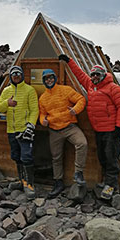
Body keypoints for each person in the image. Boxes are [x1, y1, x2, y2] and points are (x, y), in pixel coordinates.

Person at [59, 54, 120, 200]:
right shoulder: (91, 85)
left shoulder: (112, 88)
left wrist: (118, 128)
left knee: (111, 158)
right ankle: (106, 182)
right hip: (98, 130)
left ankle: (111, 185)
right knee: (102, 157)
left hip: (111, 130)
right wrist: (69, 61)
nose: (95, 77)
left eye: (97, 74)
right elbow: (79, 74)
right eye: (93, 75)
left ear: (103, 75)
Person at [39, 69, 88, 198]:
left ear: (55, 78)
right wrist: (42, 120)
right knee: (56, 157)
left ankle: (78, 173)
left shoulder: (65, 90)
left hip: (69, 126)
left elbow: (81, 99)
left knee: (82, 143)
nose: (49, 80)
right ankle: (58, 182)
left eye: (51, 77)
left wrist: (75, 110)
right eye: (46, 79)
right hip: (54, 130)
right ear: (44, 81)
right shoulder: (43, 98)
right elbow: (42, 113)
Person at [0, 65, 39, 199]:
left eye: (18, 73)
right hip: (11, 130)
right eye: (13, 74)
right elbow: (0, 107)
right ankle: (22, 181)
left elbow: (34, 109)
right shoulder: (6, 90)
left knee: (26, 156)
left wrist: (30, 125)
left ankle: (29, 184)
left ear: (22, 75)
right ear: (11, 77)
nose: (16, 76)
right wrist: (7, 103)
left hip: (25, 129)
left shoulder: (29, 90)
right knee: (16, 156)